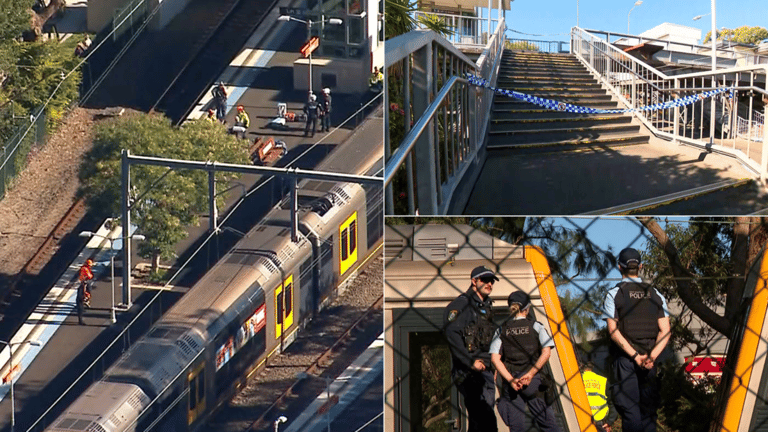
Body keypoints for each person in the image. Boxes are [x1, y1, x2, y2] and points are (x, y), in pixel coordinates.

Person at [603, 248, 670, 432]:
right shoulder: (656, 294)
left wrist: (634, 356)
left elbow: (613, 330)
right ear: (640, 266)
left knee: (630, 409)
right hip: (650, 357)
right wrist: (651, 357)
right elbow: (665, 330)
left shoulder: (614, 294)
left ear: (619, 267)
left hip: (625, 359)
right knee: (648, 411)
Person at [490, 291, 560, 432]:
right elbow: (546, 352)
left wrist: (510, 380)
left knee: (517, 428)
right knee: (549, 426)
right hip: (533, 383)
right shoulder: (536, 326)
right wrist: (531, 374)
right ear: (527, 309)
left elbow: (494, 358)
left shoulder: (501, 330)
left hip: (512, 384)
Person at [443, 265, 499, 432]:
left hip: (486, 371)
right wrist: (470, 362)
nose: (489, 284)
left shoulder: (487, 307)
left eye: (491, 281)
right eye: (485, 280)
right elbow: (451, 334)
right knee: (484, 419)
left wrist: (493, 364)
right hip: (468, 372)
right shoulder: (461, 305)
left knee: (482, 421)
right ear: (474, 281)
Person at [582, 362, 618, 432]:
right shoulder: (603, 380)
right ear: (592, 368)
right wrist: (610, 421)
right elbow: (613, 402)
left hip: (580, 417)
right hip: (600, 419)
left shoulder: (578, 379)